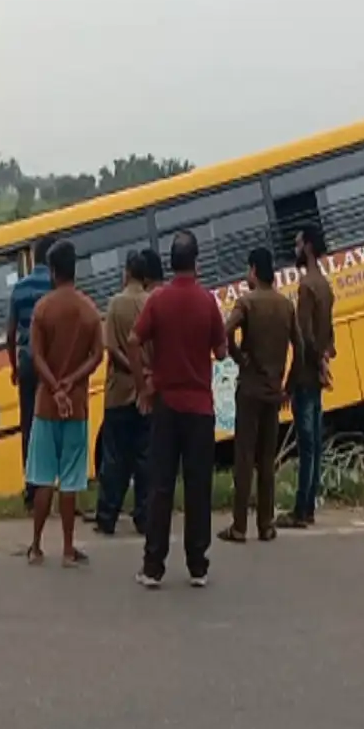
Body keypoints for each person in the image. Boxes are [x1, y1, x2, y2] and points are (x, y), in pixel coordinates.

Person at [129, 230, 227, 589]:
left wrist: (143, 385)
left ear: (171, 263)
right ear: (197, 263)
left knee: (161, 486)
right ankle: (197, 566)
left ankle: (153, 566)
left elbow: (132, 340)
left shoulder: (158, 301)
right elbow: (221, 352)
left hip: (166, 406)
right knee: (198, 487)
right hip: (200, 408)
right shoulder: (207, 302)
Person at [25, 240, 104, 567]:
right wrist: (71, 383)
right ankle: (69, 550)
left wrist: (55, 386)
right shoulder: (88, 309)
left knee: (43, 478)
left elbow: (35, 356)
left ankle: (36, 546)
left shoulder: (42, 309)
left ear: (52, 271)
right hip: (77, 407)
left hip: (46, 405)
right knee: (70, 479)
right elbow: (98, 355)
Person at [218, 247, 300, 544]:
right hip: (273, 392)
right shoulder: (285, 306)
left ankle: (239, 526)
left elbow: (225, 331)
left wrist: (239, 357)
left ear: (254, 270)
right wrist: (288, 387)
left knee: (243, 458)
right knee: (267, 460)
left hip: (250, 390)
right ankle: (266, 525)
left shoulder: (247, 302)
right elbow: (300, 350)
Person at [277, 224, 335, 530]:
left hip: (304, 377)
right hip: (316, 375)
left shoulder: (306, 287)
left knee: (307, 444)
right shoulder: (325, 285)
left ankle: (301, 510)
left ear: (309, 247)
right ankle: (308, 507)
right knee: (315, 444)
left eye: (299, 244)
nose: (295, 249)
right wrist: (325, 360)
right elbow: (327, 336)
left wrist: (288, 383)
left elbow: (302, 338)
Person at [95, 251, 150, 536]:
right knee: (144, 458)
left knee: (114, 458)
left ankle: (107, 517)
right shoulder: (152, 303)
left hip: (118, 394)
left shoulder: (115, 304)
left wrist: (132, 369)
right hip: (148, 394)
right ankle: (144, 517)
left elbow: (114, 350)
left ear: (127, 272)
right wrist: (145, 374)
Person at [6, 235, 55, 511]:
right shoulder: (54, 287)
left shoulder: (19, 288)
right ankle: (53, 484)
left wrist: (14, 367)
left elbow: (10, 334)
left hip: (26, 362)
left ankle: (31, 488)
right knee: (53, 422)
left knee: (29, 424)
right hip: (50, 364)